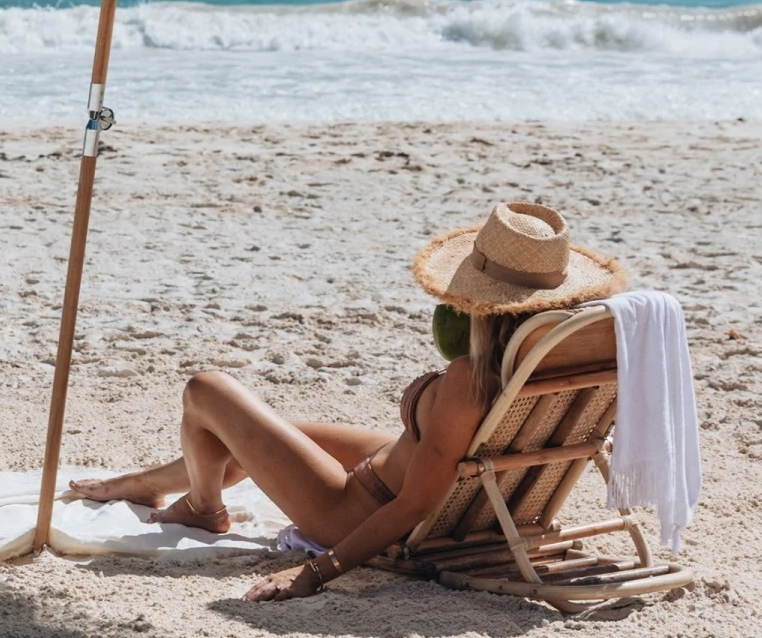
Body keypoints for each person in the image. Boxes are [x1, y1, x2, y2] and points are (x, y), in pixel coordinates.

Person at [71, 201, 626, 601]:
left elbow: (414, 505)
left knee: (206, 390)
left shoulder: (469, 379)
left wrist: (317, 571)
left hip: (361, 508)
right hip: (451, 483)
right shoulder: (559, 356)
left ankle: (202, 505)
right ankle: (154, 484)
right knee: (266, 431)